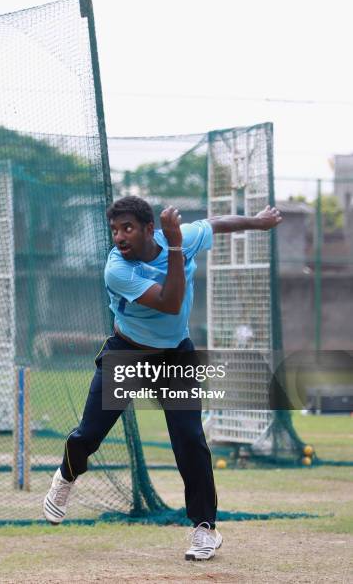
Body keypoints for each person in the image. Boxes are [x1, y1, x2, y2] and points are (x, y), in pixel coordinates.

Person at [43, 196, 282, 560]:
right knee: (88, 435)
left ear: (148, 229)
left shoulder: (181, 237)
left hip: (175, 355)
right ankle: (65, 476)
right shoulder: (118, 269)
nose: (120, 237)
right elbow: (171, 302)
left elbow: (216, 222)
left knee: (189, 440)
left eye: (128, 228)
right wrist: (174, 246)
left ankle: (205, 529)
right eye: (115, 230)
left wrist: (258, 221)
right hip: (128, 351)